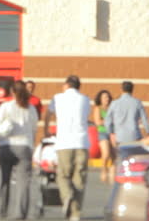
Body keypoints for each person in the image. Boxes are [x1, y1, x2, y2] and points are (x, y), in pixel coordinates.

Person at [42, 75, 90, 221]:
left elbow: (48, 114)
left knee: (63, 175)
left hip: (64, 143)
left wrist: (46, 130)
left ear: (67, 85)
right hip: (81, 142)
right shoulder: (85, 99)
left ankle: (67, 195)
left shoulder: (57, 98)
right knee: (79, 178)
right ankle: (75, 214)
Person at [0, 80, 38, 220]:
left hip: (6, 146)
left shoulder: (6, 106)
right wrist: (32, 147)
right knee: (23, 183)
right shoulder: (31, 108)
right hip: (24, 147)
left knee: (4, 180)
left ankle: (1, 212)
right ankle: (20, 214)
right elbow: (34, 129)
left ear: (12, 92)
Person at [105, 81, 149, 145]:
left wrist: (111, 132)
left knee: (121, 154)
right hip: (134, 136)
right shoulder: (137, 102)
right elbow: (144, 119)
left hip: (119, 137)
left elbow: (108, 120)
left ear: (122, 89)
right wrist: (148, 132)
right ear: (132, 90)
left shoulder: (114, 103)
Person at [92, 89, 114, 182]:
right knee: (106, 154)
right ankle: (104, 171)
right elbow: (97, 122)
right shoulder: (98, 108)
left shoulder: (112, 108)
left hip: (112, 132)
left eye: (108, 97)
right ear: (100, 99)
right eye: (105, 97)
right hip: (103, 133)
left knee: (114, 155)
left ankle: (112, 175)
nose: (107, 99)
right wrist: (108, 122)